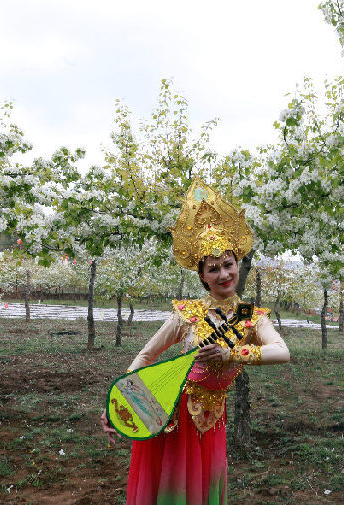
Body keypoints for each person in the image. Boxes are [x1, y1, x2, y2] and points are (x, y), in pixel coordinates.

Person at [100, 179, 290, 505]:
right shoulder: (185, 314)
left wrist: (232, 353)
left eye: (227, 265)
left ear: (237, 266)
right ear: (203, 276)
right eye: (213, 268)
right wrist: (120, 400)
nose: (223, 274)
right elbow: (146, 355)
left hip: (213, 416)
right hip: (172, 413)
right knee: (170, 491)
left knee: (203, 489)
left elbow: (282, 352)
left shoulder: (252, 316)